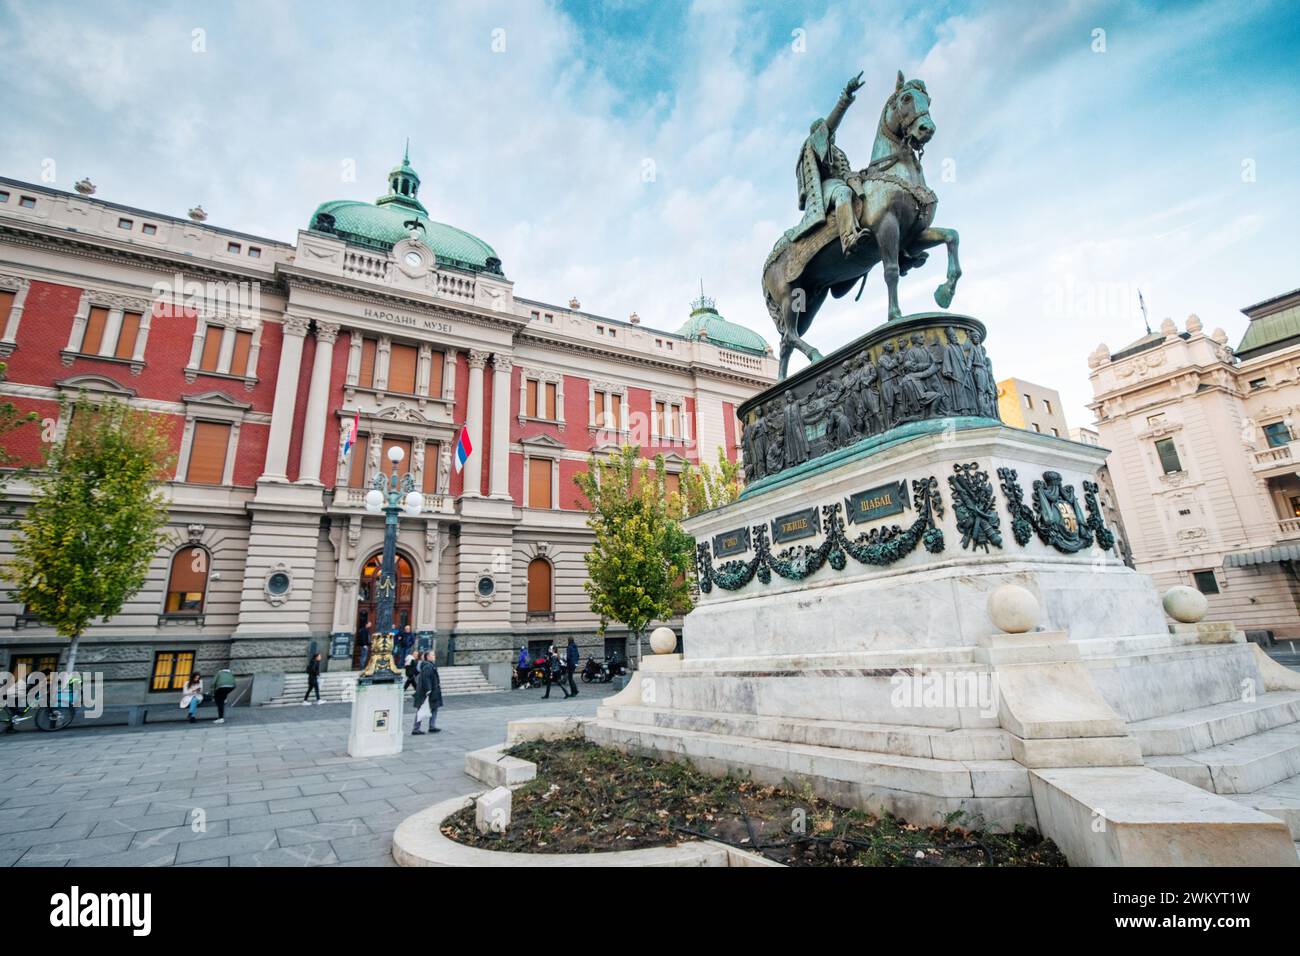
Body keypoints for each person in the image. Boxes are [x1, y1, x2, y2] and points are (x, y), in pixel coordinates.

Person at [412, 651, 443, 735]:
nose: (434, 656)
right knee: (422, 709)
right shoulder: (428, 666)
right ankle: (416, 728)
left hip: (431, 690)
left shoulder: (429, 665)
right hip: (428, 692)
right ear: (428, 657)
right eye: (432, 655)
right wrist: (428, 690)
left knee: (434, 708)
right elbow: (426, 679)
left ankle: (431, 726)